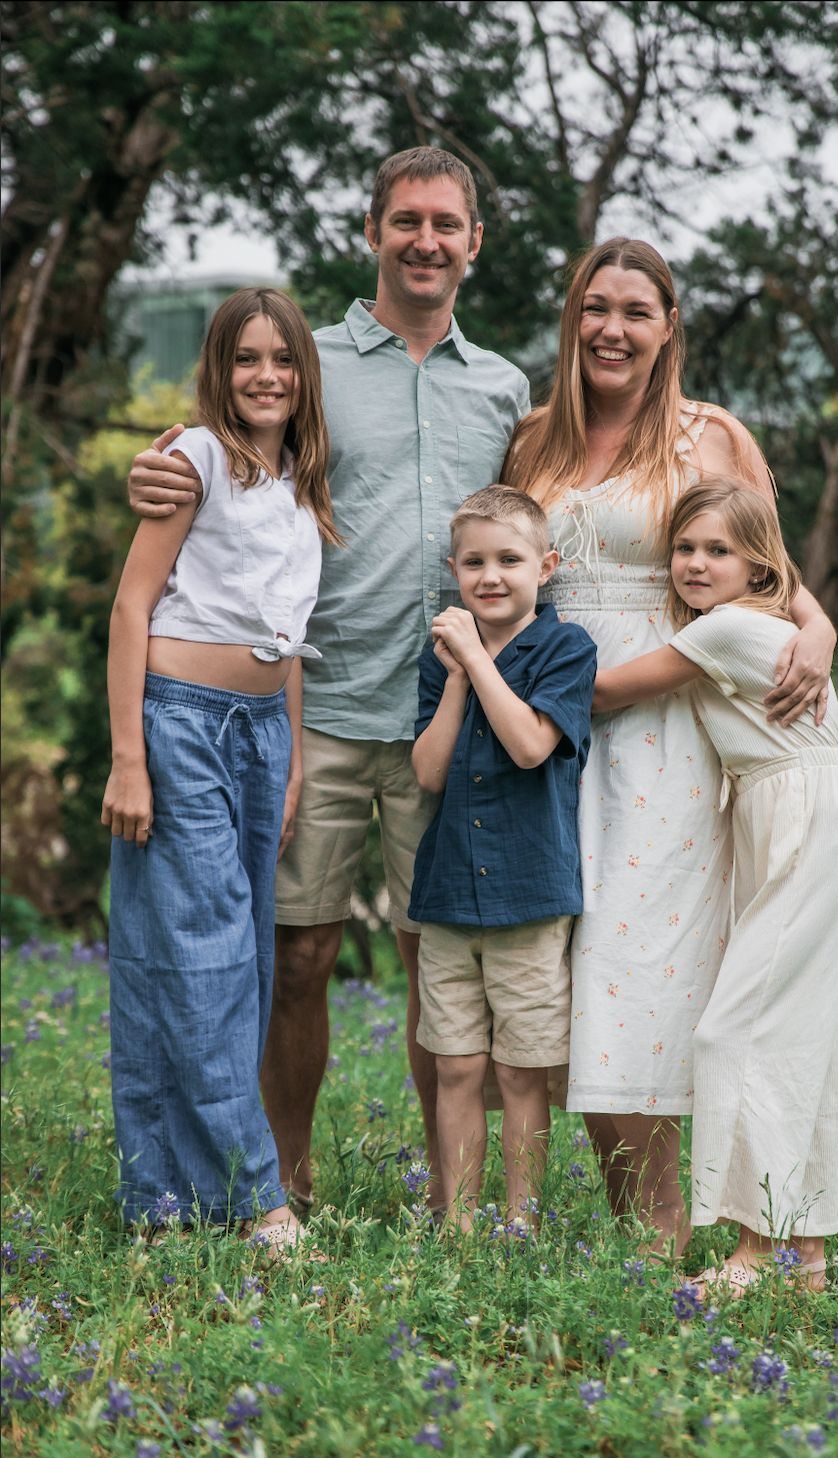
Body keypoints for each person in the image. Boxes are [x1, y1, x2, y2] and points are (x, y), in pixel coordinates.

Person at [124, 149, 531, 1216]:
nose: (426, 239)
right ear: (373, 230)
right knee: (295, 957)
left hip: (446, 717)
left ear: (474, 241)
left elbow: (532, 535)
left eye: (447, 222)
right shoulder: (312, 366)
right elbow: (226, 456)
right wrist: (155, 467)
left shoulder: (503, 388)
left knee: (432, 963)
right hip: (317, 711)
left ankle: (451, 1197)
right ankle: (281, 1184)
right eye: (407, 220)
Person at [503, 237, 837, 1257]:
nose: (611, 328)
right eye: (593, 307)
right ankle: (643, 1223)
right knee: (575, 972)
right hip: (552, 735)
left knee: (643, 966)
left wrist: (817, 632)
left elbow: (768, 571)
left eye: (634, 311)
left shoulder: (709, 436)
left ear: (667, 328)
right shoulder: (531, 442)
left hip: (669, 735)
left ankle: (703, 1221)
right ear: (573, 320)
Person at [102, 287, 340, 1252]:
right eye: (247, 359)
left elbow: (283, 638)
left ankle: (163, 1197)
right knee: (195, 951)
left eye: (283, 360)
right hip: (181, 724)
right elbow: (130, 608)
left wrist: (285, 767)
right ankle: (255, 1196)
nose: (267, 376)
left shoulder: (299, 482)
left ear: (304, 376)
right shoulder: (194, 457)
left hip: (263, 733)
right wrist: (128, 757)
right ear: (218, 369)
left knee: (231, 958)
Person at [593, 478, 838, 1291]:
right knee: (800, 1039)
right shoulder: (775, 621)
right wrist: (816, 616)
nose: (694, 563)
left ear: (760, 567)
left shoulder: (726, 630)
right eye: (684, 547)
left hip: (803, 825)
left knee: (736, 1034)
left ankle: (758, 1249)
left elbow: (609, 690)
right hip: (799, 816)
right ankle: (804, 1252)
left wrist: (492, 661)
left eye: (719, 550)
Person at [410, 488, 596, 1230]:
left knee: (522, 1070)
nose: (491, 577)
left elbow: (528, 746)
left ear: (545, 567)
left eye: (510, 560)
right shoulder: (440, 662)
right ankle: (458, 1226)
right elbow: (426, 772)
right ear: (454, 570)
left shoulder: (565, 648)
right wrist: (455, 674)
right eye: (475, 563)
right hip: (450, 891)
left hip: (528, 893)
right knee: (455, 1064)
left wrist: (480, 664)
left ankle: (521, 1223)